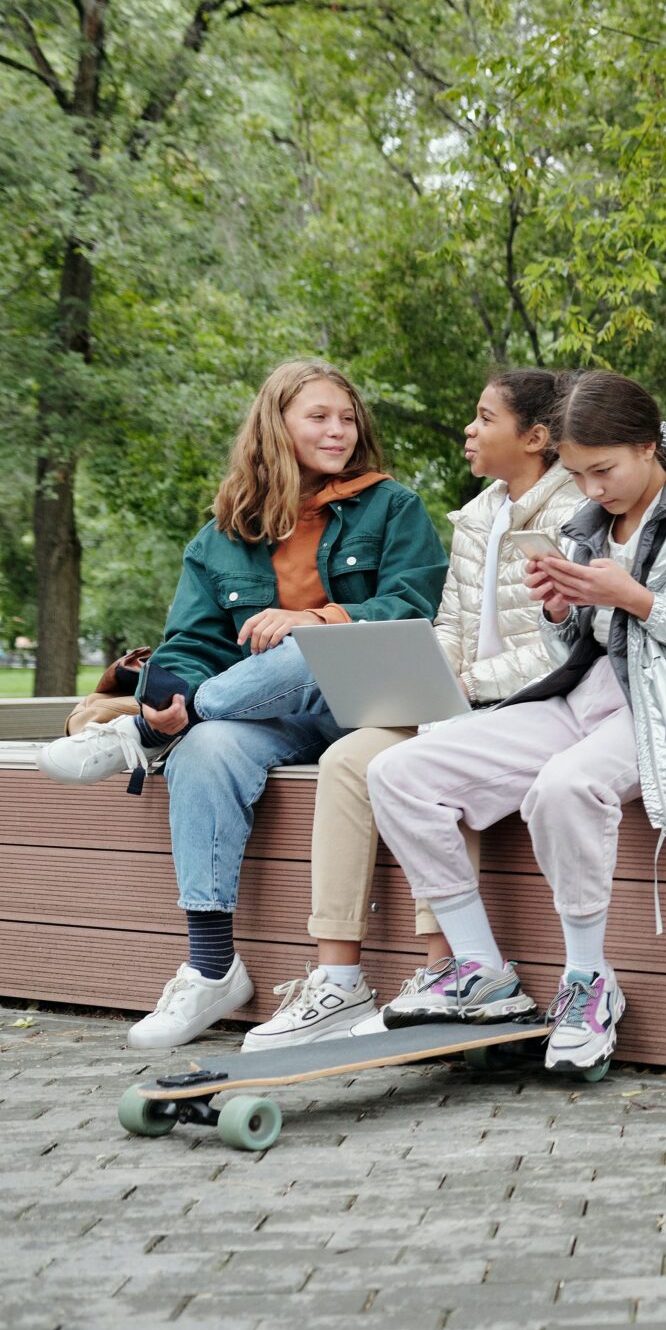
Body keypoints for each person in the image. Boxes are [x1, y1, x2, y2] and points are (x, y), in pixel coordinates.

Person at [364, 372, 666, 1072]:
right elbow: (577, 648)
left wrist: (636, 598)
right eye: (578, 474)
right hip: (582, 700)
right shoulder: (588, 527)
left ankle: (589, 981)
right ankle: (481, 970)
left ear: (649, 445)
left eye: (603, 470)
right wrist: (559, 612)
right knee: (397, 771)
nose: (590, 490)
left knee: (563, 787)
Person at [37, 360, 448, 1047]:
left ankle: (142, 734)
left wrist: (317, 618)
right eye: (319, 416)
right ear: (275, 425)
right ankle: (211, 968)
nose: (338, 430)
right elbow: (191, 640)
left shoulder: (392, 507)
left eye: (347, 418)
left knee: (300, 646)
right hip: (270, 713)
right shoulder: (226, 531)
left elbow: (415, 607)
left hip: (369, 704)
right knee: (203, 744)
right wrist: (171, 694)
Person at [240, 369, 582, 1048]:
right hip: (463, 698)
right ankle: (337, 980)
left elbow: (562, 649)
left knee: (435, 756)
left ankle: (447, 968)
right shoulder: (480, 513)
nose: (469, 429)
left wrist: (464, 694)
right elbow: (452, 621)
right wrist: (438, 679)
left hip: (532, 704)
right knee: (346, 759)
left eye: (485, 418)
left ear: (537, 438)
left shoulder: (577, 512)